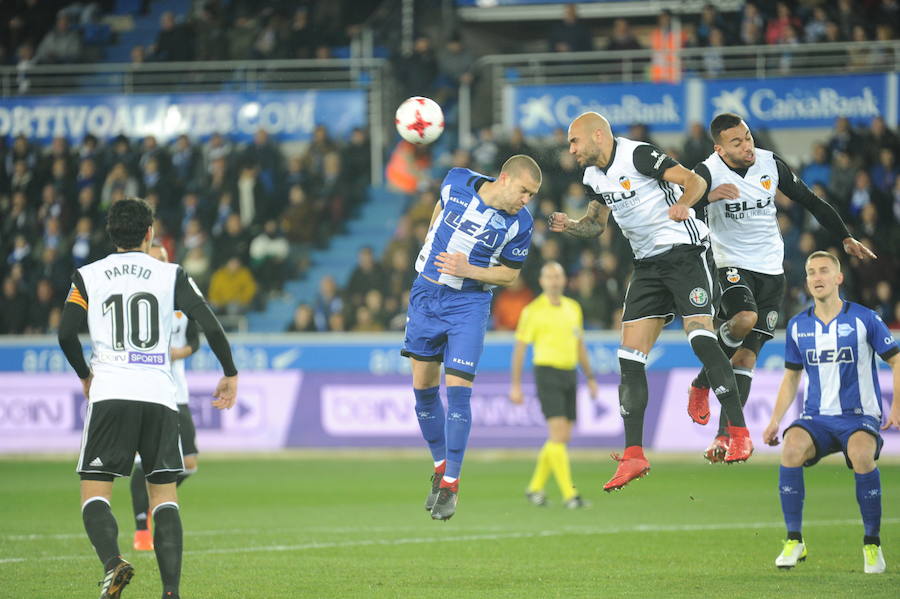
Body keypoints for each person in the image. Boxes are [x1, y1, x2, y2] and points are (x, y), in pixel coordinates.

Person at [549, 111, 752, 493]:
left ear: (597, 136)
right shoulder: (593, 177)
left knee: (699, 337)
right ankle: (634, 455)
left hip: (685, 253)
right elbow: (597, 224)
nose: (571, 149)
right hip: (646, 266)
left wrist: (685, 205)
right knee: (629, 357)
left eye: (574, 141)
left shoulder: (638, 156)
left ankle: (738, 432)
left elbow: (691, 180)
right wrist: (572, 226)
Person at [57, 198, 239, 599]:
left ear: (111, 235)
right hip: (159, 395)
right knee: (165, 496)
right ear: (149, 233)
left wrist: (86, 375)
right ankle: (171, 592)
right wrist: (229, 372)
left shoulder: (87, 275)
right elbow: (208, 322)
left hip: (110, 392)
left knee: (95, 492)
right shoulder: (170, 274)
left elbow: (66, 333)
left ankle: (112, 563)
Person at [682, 113, 875, 462]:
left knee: (746, 357)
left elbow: (811, 201)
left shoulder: (770, 164)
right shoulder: (707, 171)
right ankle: (701, 383)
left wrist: (845, 235)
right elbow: (679, 207)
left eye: (748, 137)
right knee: (742, 318)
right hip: (731, 265)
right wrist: (706, 199)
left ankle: (726, 436)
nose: (747, 146)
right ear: (720, 148)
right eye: (737, 142)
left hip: (772, 271)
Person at [401, 155, 541, 521]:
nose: (527, 199)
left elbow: (509, 275)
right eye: (525, 191)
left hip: (469, 304)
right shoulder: (457, 180)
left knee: (459, 392)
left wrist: (469, 269)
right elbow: (441, 204)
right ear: (506, 178)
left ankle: (451, 485)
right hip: (426, 295)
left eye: (532, 194)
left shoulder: (521, 224)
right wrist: (430, 242)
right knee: (423, 389)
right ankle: (439, 465)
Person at [762, 251, 899, 574]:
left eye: (824, 271)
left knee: (862, 454)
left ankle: (872, 544)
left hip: (859, 415)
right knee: (791, 446)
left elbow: (896, 360)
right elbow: (792, 375)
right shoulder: (798, 326)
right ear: (807, 282)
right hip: (817, 417)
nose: (817, 277)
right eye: (811, 272)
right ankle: (794, 540)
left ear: (838, 278)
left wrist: (897, 405)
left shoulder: (865, 319)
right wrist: (775, 420)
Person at [131, 243, 202, 553]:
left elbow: (196, 340)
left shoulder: (181, 288)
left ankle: (156, 499)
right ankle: (141, 529)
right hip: (144, 388)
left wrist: (178, 352)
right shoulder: (132, 293)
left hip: (177, 390)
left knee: (189, 462)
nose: (158, 263)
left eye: (161, 259)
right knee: (142, 460)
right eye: (153, 259)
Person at [510, 261, 597, 508]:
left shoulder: (573, 308)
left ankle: (535, 487)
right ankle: (570, 495)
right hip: (546, 372)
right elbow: (519, 349)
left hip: (569, 373)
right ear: (542, 281)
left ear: (564, 281)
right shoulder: (532, 310)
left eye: (558, 276)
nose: (554, 281)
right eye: (549, 277)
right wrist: (515, 385)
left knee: (562, 436)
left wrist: (589, 377)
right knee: (558, 434)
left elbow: (579, 345)